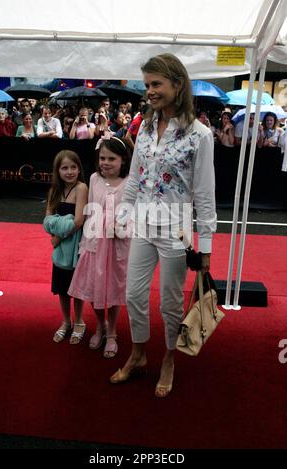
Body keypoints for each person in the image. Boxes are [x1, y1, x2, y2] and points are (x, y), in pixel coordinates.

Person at [109, 53, 216, 397]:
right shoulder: (143, 126)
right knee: (133, 294)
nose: (150, 91)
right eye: (147, 85)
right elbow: (136, 178)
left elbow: (204, 193)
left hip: (176, 231)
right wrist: (124, 216)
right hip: (142, 224)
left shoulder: (200, 135)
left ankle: (169, 358)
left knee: (170, 303)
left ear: (178, 84)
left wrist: (207, 246)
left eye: (156, 84)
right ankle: (138, 354)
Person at [68, 136, 132, 358]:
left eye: (111, 158)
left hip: (117, 245)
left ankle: (112, 331)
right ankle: (101, 324)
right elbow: (90, 211)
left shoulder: (130, 182)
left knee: (114, 288)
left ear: (123, 160)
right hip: (95, 242)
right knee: (93, 287)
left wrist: (122, 226)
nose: (105, 162)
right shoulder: (94, 179)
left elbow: (134, 211)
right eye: (102, 158)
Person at [44, 150, 88, 344]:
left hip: (76, 246)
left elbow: (78, 220)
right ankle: (66, 321)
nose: (69, 171)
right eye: (64, 168)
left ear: (79, 169)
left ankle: (79, 321)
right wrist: (61, 225)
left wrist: (58, 235)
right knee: (62, 289)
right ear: (57, 170)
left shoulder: (81, 188)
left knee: (75, 288)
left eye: (73, 167)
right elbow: (47, 221)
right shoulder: (54, 190)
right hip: (60, 250)